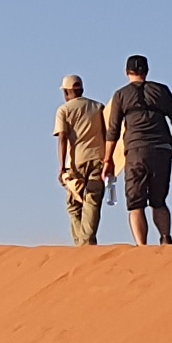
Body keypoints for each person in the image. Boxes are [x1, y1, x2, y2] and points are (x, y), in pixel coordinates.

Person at [110, 54, 172, 245]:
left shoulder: (121, 95)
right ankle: (165, 238)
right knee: (159, 200)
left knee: (136, 204)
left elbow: (113, 130)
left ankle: (142, 247)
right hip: (161, 151)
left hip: (136, 151)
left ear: (127, 72)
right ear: (147, 71)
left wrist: (107, 160)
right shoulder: (162, 90)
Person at [52, 74, 112, 244]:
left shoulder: (64, 110)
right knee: (92, 201)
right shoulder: (98, 107)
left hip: (76, 164)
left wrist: (61, 168)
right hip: (98, 160)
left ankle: (84, 242)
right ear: (82, 89)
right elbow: (109, 133)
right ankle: (85, 240)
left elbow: (62, 138)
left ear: (66, 92)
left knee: (74, 204)